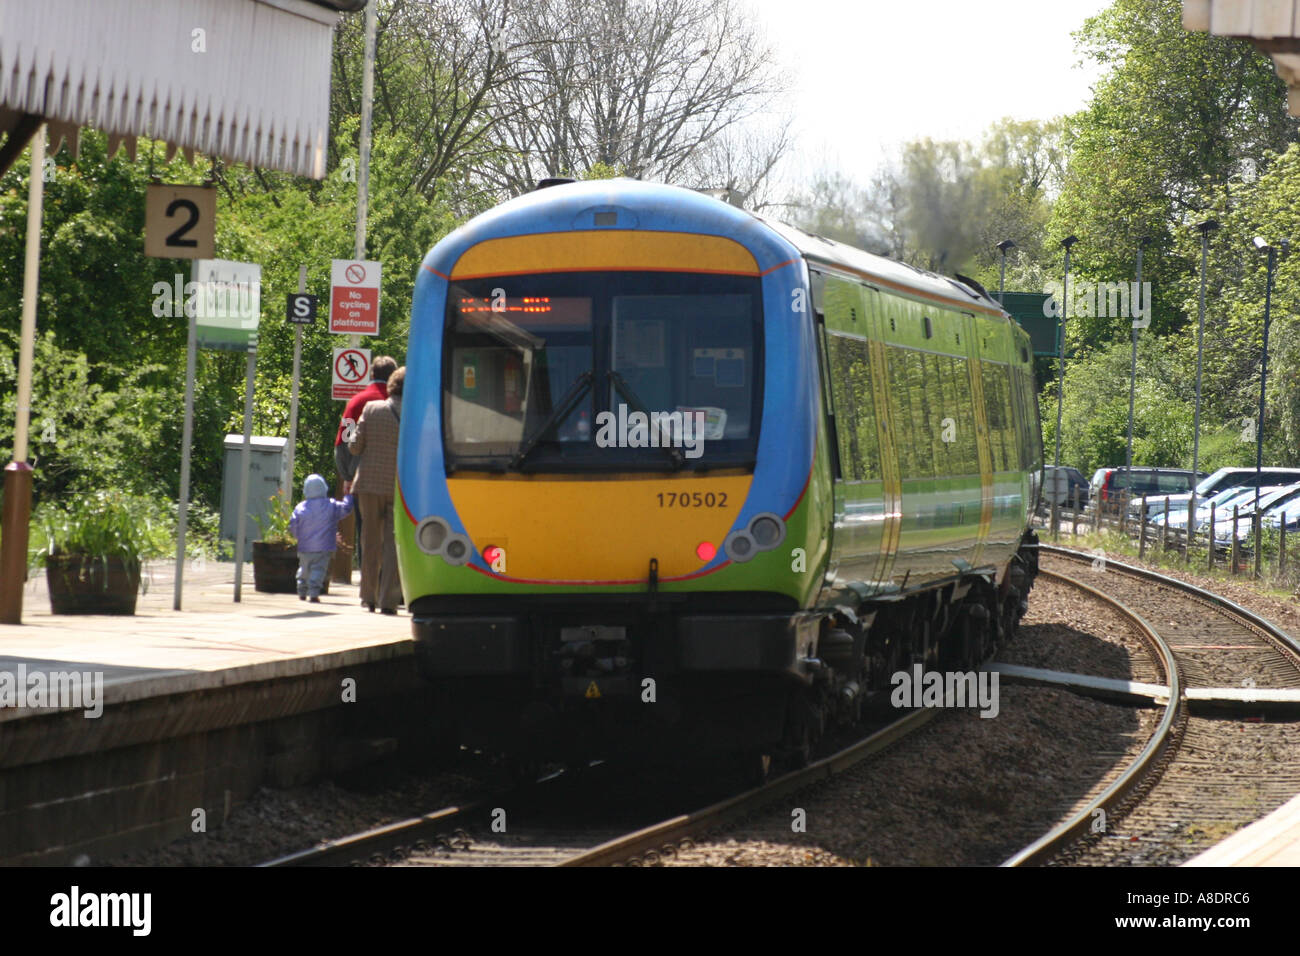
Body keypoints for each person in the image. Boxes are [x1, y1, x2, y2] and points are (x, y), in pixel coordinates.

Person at [349, 366, 404, 614]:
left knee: (370, 539)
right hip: (399, 486)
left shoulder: (372, 409)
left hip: (369, 485)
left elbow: (354, 447)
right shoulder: (416, 414)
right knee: (394, 543)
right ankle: (389, 600)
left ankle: (368, 596)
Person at [334, 355, 398, 567]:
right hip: (396, 480)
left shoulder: (357, 401)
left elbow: (345, 442)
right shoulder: (399, 403)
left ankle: (367, 579)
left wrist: (347, 475)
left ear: (371, 374)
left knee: (367, 533)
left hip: (364, 480)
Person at [288, 474, 355, 602]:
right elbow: (346, 509)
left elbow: (293, 525)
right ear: (324, 488)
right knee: (318, 569)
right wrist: (348, 496)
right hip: (324, 547)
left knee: (304, 568)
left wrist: (298, 537)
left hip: (304, 547)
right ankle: (313, 593)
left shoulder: (300, 507)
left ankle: (301, 589)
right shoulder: (331, 505)